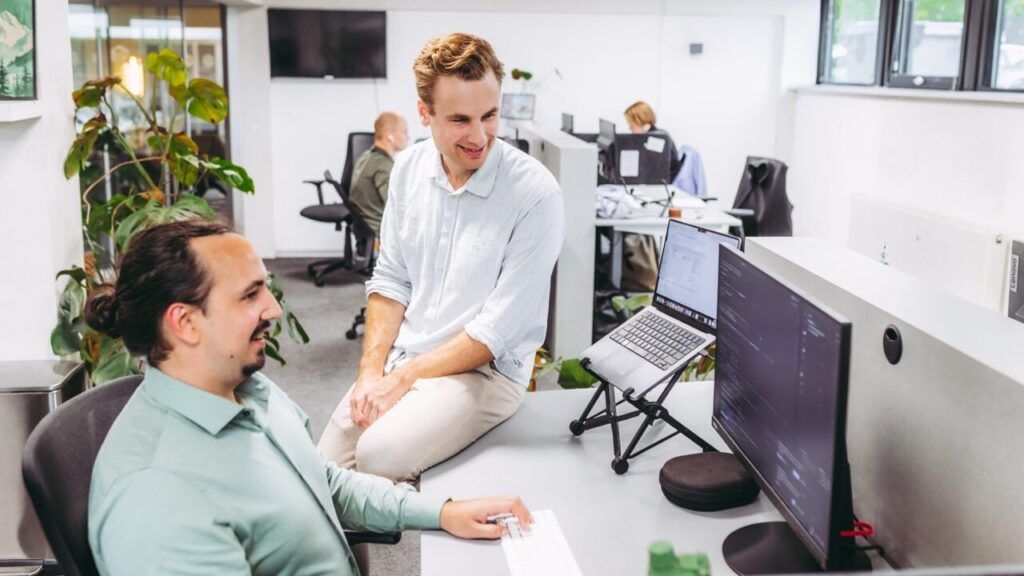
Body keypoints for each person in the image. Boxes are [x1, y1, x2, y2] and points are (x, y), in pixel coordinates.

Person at [85, 219, 532, 576]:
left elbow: (321, 481)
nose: (274, 309)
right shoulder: (155, 498)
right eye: (250, 295)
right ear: (185, 323)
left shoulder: (247, 391)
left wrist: (442, 511)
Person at [318, 33, 565, 482]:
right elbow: (391, 279)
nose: (479, 136)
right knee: (321, 470)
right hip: (407, 355)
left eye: (489, 115)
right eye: (459, 120)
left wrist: (404, 378)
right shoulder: (408, 169)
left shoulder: (535, 193)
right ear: (424, 113)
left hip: (485, 373)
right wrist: (371, 373)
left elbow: (495, 332)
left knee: (378, 455)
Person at [349, 112, 409, 235]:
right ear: (390, 136)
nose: (408, 136)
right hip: (380, 231)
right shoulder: (383, 165)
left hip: (366, 227)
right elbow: (397, 207)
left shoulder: (366, 156)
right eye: (404, 132)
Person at [624, 100, 682, 180]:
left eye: (632, 125)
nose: (630, 128)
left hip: (663, 182)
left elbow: (652, 169)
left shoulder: (657, 139)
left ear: (641, 121)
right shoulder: (651, 135)